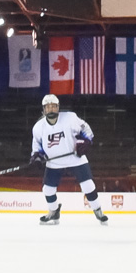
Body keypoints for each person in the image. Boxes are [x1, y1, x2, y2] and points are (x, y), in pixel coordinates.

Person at [29, 93, 107, 224]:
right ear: (43, 109)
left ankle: (98, 210)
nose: (51, 109)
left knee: (88, 186)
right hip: (54, 161)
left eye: (54, 106)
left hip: (75, 158)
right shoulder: (38, 127)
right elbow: (37, 146)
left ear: (58, 107)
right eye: (48, 107)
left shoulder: (70, 118)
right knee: (47, 189)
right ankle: (53, 212)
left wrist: (87, 141)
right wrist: (36, 156)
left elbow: (86, 129)